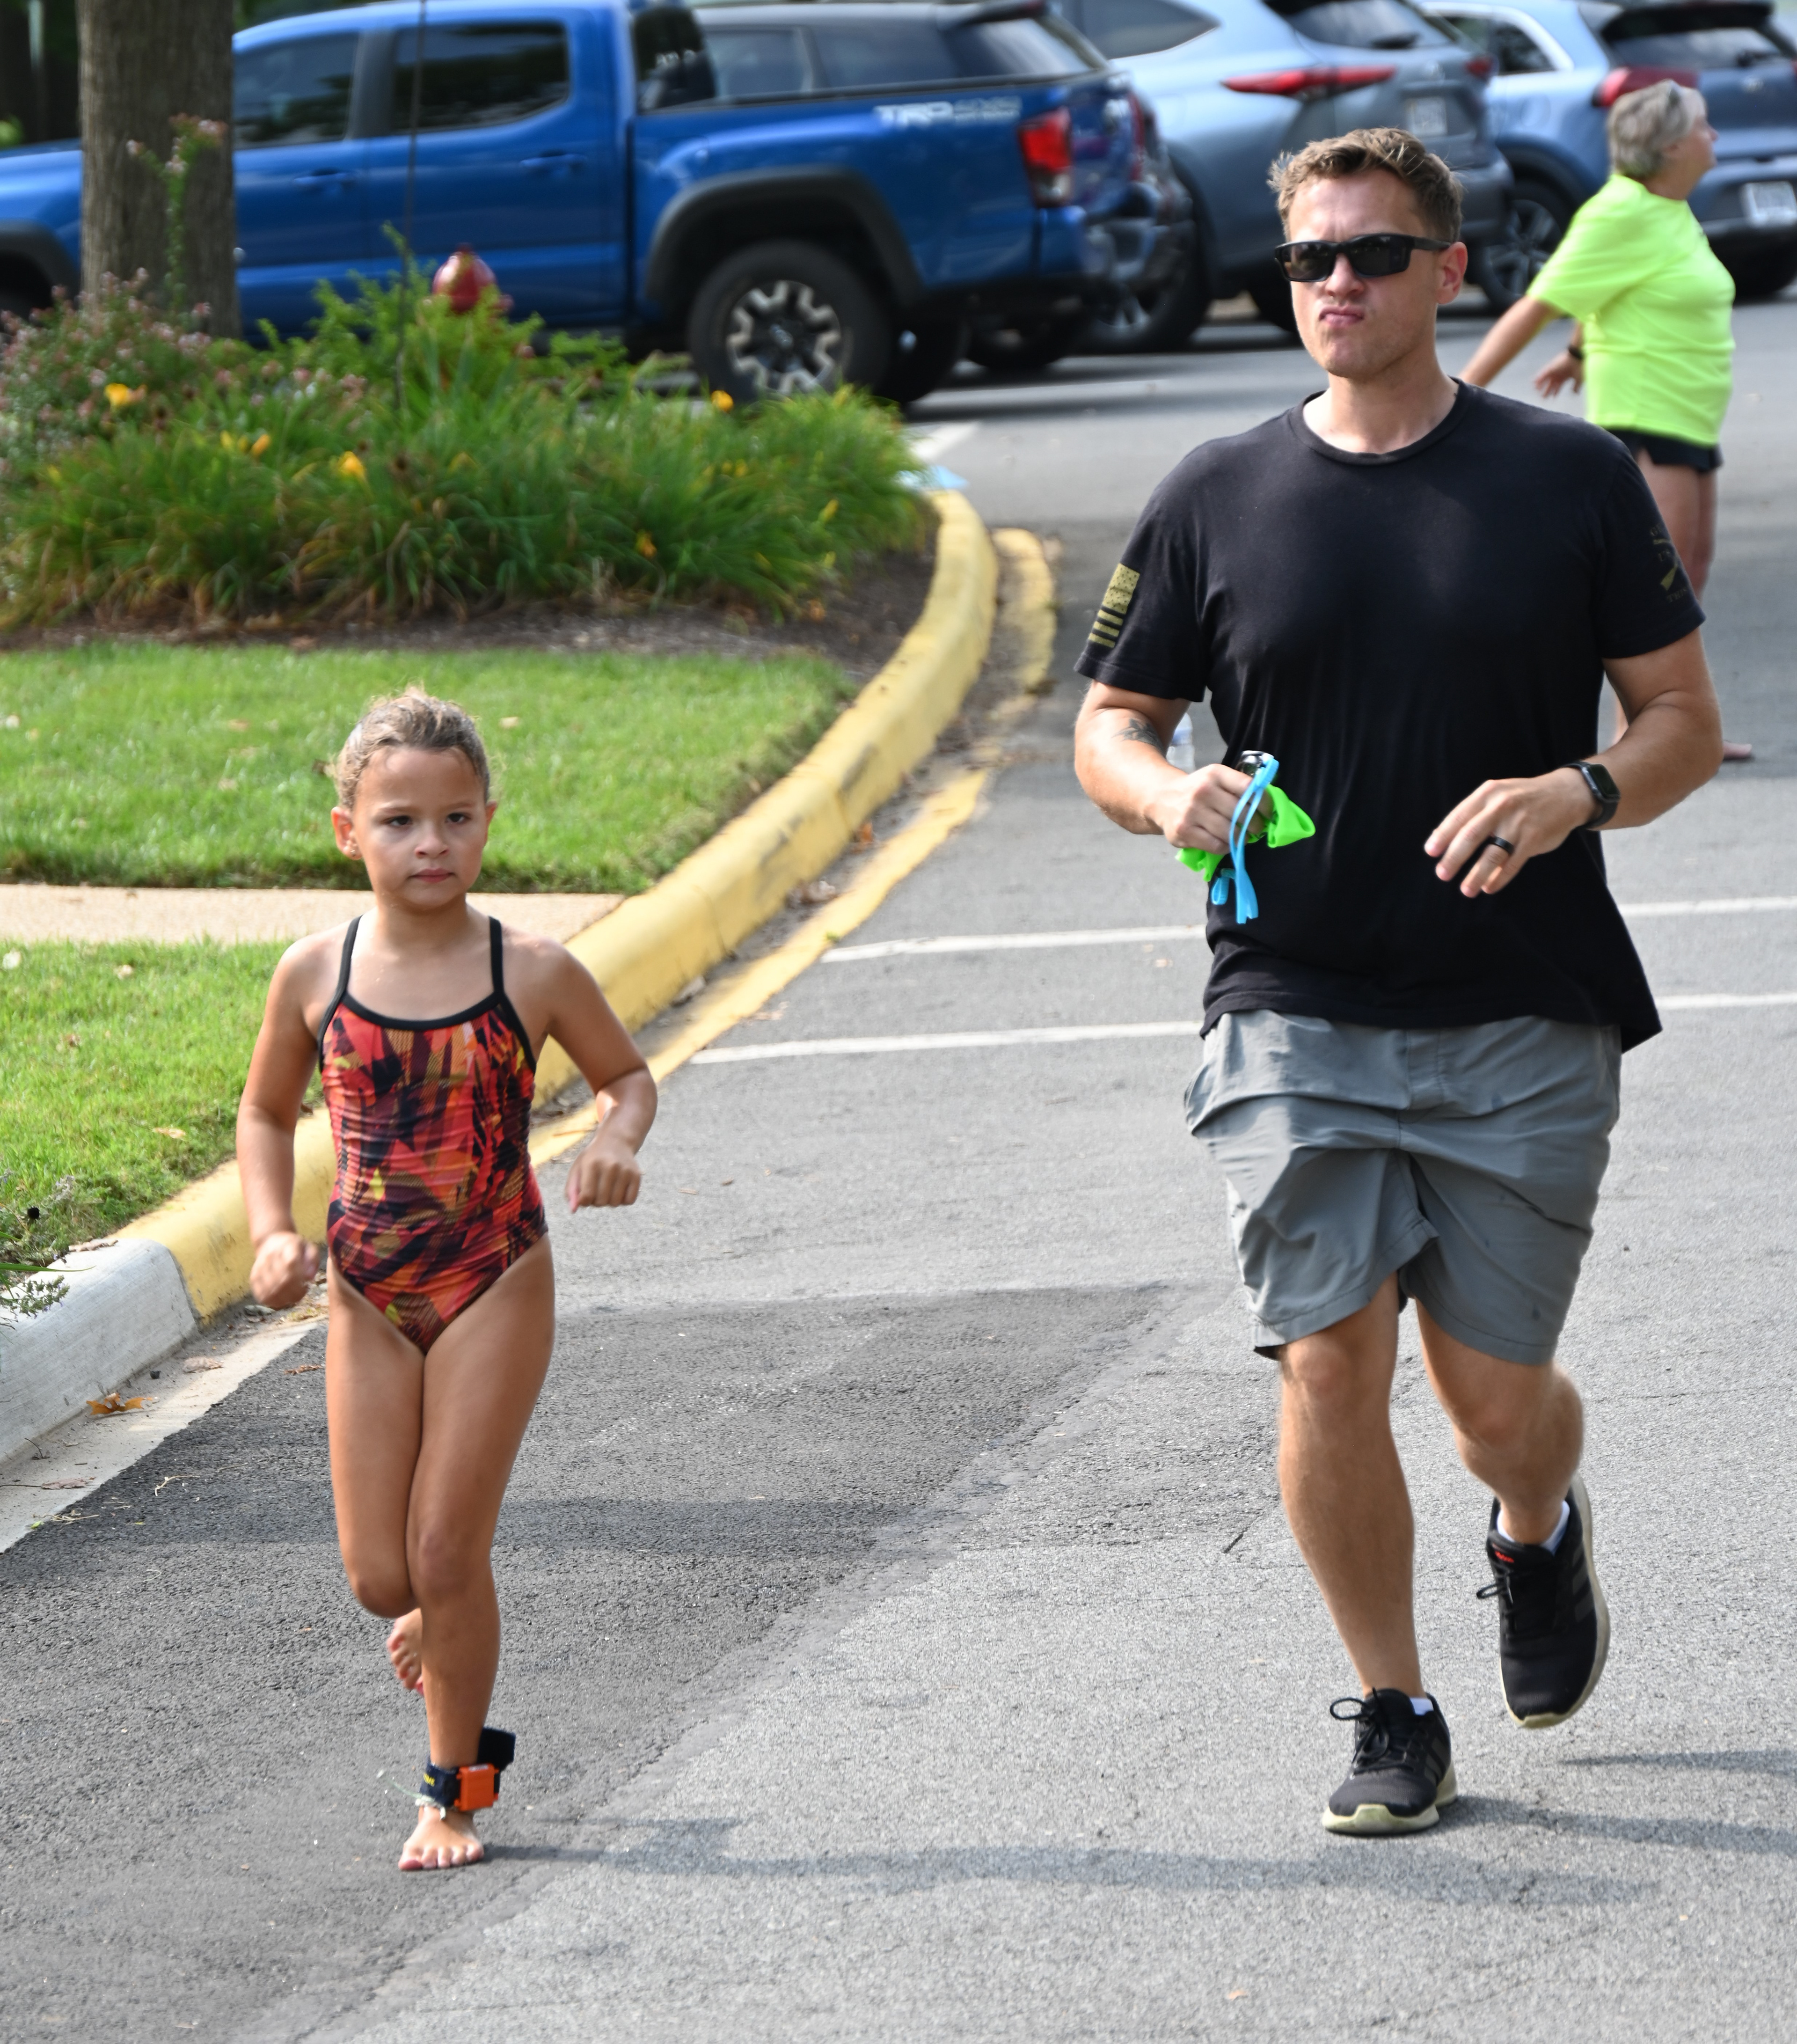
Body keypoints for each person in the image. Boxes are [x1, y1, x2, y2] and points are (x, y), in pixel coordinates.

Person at [1074, 128, 1722, 1834]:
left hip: (1526, 1002)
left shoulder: (1567, 477)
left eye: (1372, 253)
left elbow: (1681, 722)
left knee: (1494, 1403)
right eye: (1310, 259)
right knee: (1327, 1359)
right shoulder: (1214, 492)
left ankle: (1537, 1524)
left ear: (1450, 270)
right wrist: (1160, 792)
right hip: (1289, 1000)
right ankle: (1393, 1703)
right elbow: (1111, 722)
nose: (1338, 283)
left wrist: (1577, 790)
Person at [237, 689, 656, 1872]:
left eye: (457, 818)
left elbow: (627, 1079)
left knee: (445, 1549)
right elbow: (265, 1112)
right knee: (384, 1579)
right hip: (368, 1293)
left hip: (494, 1276)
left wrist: (618, 1141)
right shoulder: (313, 973)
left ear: (487, 823)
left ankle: (452, 1794)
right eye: (400, 822)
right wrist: (271, 1233)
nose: (432, 843)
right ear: (347, 833)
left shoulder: (533, 969)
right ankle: (436, 1604)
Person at [1461, 81, 1750, 758]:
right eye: (1704, 126)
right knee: (1658, 588)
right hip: (1648, 414)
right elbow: (1538, 302)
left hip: (1689, 414)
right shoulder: (1620, 211)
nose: (1714, 137)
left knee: (1690, 573)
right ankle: (1639, 740)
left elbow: (1620, 286)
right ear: (1669, 145)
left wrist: (1577, 352)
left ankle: (1667, 727)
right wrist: (1461, 396)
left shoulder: (1667, 209)